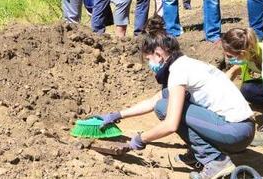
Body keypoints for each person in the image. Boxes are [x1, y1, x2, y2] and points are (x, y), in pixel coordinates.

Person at [94, 17, 254, 179]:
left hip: (235, 132)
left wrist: (139, 140)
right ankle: (199, 153)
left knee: (164, 108)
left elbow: (170, 124)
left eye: (149, 59)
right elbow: (154, 100)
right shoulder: (187, 64)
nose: (150, 65)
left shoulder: (178, 72)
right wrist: (117, 115)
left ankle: (215, 161)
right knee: (163, 103)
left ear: (158, 54)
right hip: (243, 129)